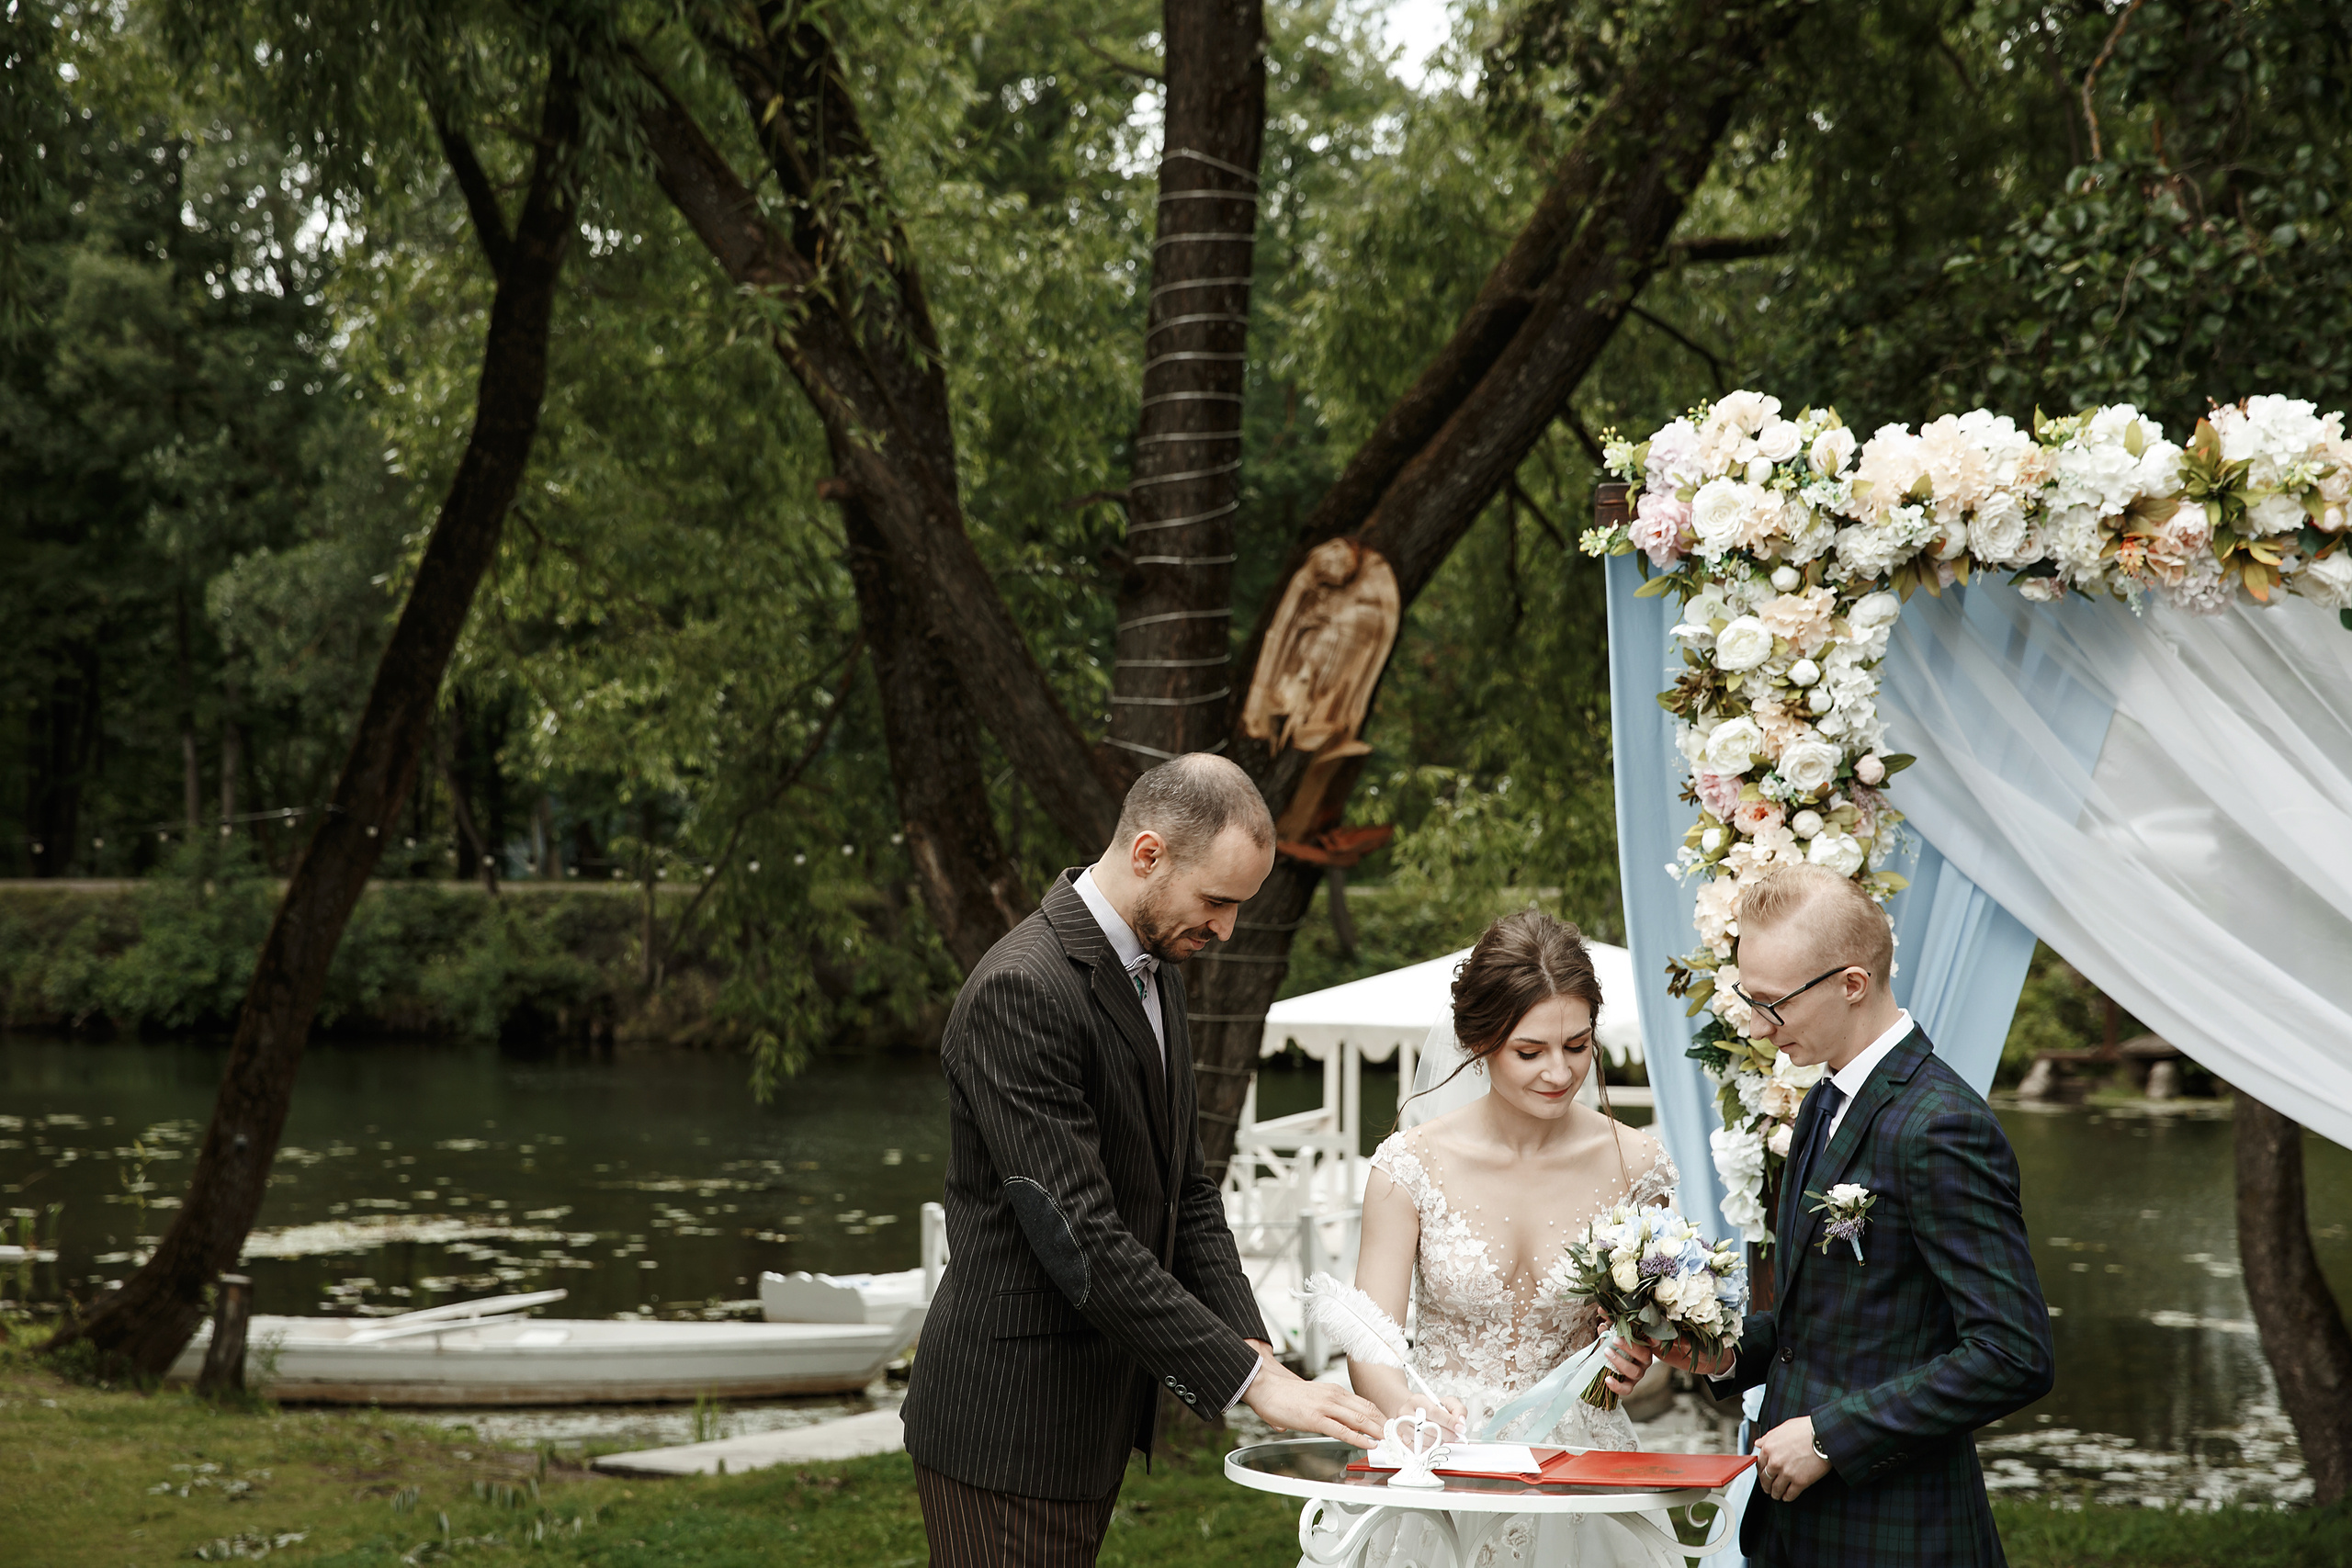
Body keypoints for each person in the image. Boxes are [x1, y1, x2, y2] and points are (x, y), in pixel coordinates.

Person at [900, 753, 1388, 1567]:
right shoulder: (1021, 989)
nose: (1227, 929)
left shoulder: (1158, 971)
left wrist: (1252, 1344)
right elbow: (1079, 1237)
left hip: (1087, 1417)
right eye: (1218, 900)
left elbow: (1184, 1192)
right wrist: (1249, 1382)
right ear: (1148, 854)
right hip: (1006, 1422)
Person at [1626, 862, 2054, 1567]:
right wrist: (1727, 1351)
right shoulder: (1823, 1099)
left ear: (1852, 983)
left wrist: (1831, 1434)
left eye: (1774, 1003)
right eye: (1749, 998)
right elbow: (1822, 1321)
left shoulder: (1941, 1126)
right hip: (1796, 1532)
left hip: (1897, 1530)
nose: (1760, 1027)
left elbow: (2013, 1354)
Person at [1348, 908, 1681, 1568]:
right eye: (1530, 1051)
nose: (1559, 1071)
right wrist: (1410, 1408)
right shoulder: (1408, 1167)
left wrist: (1634, 1361)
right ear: (1478, 1041)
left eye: (1577, 1045)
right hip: (1444, 1455)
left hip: (1583, 1471)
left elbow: (1643, 1338)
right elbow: (1368, 1341)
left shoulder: (1640, 1167)